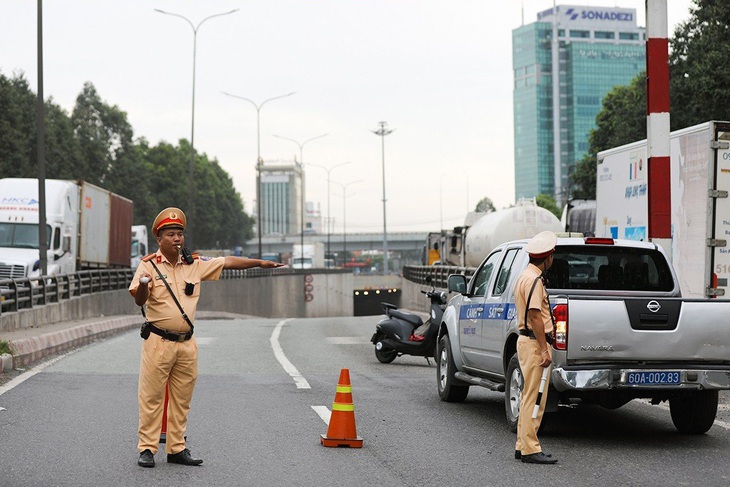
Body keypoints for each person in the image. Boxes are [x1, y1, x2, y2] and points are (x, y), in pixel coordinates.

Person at [129, 207, 284, 468]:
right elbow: (139, 300)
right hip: (158, 342)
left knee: (182, 399)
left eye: (180, 233)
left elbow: (227, 261)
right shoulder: (148, 265)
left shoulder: (195, 264)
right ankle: (147, 448)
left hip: (186, 343)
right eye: (171, 234)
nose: (177, 238)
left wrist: (259, 262)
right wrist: (144, 283)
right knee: (152, 397)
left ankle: (176, 448)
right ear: (159, 239)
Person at [513, 230, 559, 465]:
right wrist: (544, 349)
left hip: (526, 341)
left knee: (527, 395)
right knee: (536, 398)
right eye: (552, 256)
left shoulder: (524, 276)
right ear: (547, 257)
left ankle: (522, 445)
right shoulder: (534, 280)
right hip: (533, 344)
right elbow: (535, 316)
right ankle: (531, 448)